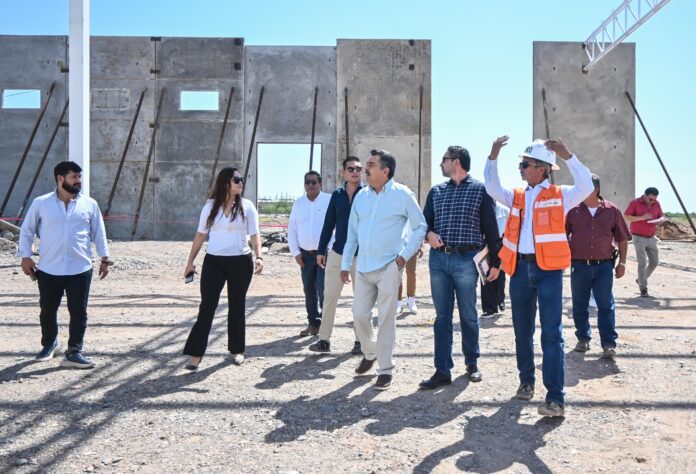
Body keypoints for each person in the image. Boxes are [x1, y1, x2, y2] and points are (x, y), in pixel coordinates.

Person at [485, 136, 594, 417]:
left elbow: (587, 186)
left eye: (525, 164)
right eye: (521, 164)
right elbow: (492, 187)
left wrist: (568, 155)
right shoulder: (518, 196)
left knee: (551, 334)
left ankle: (555, 398)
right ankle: (526, 382)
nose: (520, 169)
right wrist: (493, 156)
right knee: (522, 331)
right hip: (520, 270)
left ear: (542, 169)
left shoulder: (562, 194)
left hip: (548, 272)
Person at [341, 149, 427, 390]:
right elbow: (352, 234)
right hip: (364, 266)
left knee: (387, 319)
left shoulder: (402, 194)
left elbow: (420, 226)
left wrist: (403, 257)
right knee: (359, 314)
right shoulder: (361, 197)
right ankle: (370, 353)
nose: (364, 169)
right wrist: (346, 263)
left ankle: (385, 369)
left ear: (385, 170)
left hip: (390, 265)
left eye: (370, 164)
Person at [419, 146, 501, 390]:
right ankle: (442, 370)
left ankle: (472, 364)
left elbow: (491, 230)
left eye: (443, 160)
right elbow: (424, 224)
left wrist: (495, 263)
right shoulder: (436, 191)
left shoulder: (480, 191)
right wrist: (428, 234)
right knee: (442, 317)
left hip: (467, 260)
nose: (440, 165)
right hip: (438, 261)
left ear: (455, 162)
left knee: (468, 314)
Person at [18, 161, 110, 369]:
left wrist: (105, 259)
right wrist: (25, 256)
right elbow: (27, 230)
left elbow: (99, 233)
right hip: (49, 269)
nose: (79, 181)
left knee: (79, 311)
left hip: (80, 269)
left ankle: (75, 351)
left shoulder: (90, 204)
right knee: (47, 309)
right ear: (60, 178)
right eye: (74, 177)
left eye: (79, 177)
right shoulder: (41, 203)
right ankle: (49, 344)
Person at [182, 167, 263, 370]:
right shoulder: (210, 206)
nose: (240, 182)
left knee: (237, 306)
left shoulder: (248, 206)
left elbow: (255, 234)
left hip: (240, 262)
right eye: (236, 179)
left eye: (242, 179)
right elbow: (200, 234)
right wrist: (190, 261)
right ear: (226, 182)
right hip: (214, 262)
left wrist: (259, 256)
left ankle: (237, 350)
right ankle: (195, 354)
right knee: (207, 306)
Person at [566, 174, 630, 358]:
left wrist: (622, 263)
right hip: (579, 266)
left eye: (584, 187)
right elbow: (562, 237)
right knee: (579, 304)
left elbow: (622, 239)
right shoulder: (573, 210)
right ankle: (583, 338)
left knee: (605, 305)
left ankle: (608, 344)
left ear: (596, 189)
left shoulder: (612, 210)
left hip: (603, 267)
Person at [309, 157, 364, 355]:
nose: (355, 171)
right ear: (344, 172)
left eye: (358, 168)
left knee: (361, 300)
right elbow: (328, 224)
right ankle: (324, 340)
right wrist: (321, 250)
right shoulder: (337, 195)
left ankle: (360, 341)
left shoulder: (368, 194)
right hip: (338, 252)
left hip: (361, 255)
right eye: (351, 168)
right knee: (329, 298)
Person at [288, 171, 331, 337]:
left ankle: (325, 325)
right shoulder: (298, 204)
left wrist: (330, 248)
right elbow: (292, 228)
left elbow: (335, 226)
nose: (311, 185)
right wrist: (295, 252)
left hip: (324, 254)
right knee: (308, 290)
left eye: (314, 182)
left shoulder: (329, 200)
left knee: (323, 288)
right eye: (308, 182)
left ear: (320, 183)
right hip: (305, 255)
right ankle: (313, 324)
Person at [624, 187, 663, 297]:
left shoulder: (657, 204)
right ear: (645, 196)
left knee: (654, 262)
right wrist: (642, 217)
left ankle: (640, 280)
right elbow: (627, 216)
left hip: (652, 237)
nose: (653, 201)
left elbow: (661, 216)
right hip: (638, 237)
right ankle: (643, 288)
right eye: (651, 199)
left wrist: (660, 220)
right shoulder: (635, 203)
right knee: (642, 263)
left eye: (654, 199)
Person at [480, 203, 510, 318]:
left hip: (502, 245)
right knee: (485, 274)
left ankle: (500, 300)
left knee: (500, 275)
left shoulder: (505, 211)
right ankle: (489, 308)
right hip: (485, 246)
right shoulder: (480, 210)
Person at [396, 226, 423, 315]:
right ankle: (398, 302)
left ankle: (411, 300)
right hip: (398, 246)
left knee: (411, 272)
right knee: (397, 273)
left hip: (412, 244)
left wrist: (419, 245)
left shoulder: (416, 211)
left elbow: (419, 226)